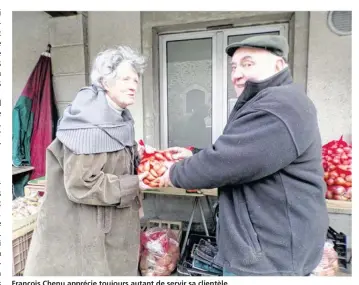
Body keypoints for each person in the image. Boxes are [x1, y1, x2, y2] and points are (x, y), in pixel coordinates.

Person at [158, 35, 329, 276]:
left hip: (269, 259)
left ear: (279, 66)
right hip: (266, 248)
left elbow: (226, 162)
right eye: (234, 66)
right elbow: (242, 154)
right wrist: (194, 154)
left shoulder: (279, 105)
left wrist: (175, 172)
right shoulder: (271, 100)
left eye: (248, 64)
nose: (236, 74)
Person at [24, 46, 151, 276]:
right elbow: (81, 184)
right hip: (87, 231)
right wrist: (135, 184)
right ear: (105, 81)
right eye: (125, 79)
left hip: (113, 227)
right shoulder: (89, 122)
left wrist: (140, 155)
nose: (133, 85)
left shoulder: (118, 116)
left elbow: (111, 157)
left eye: (135, 79)